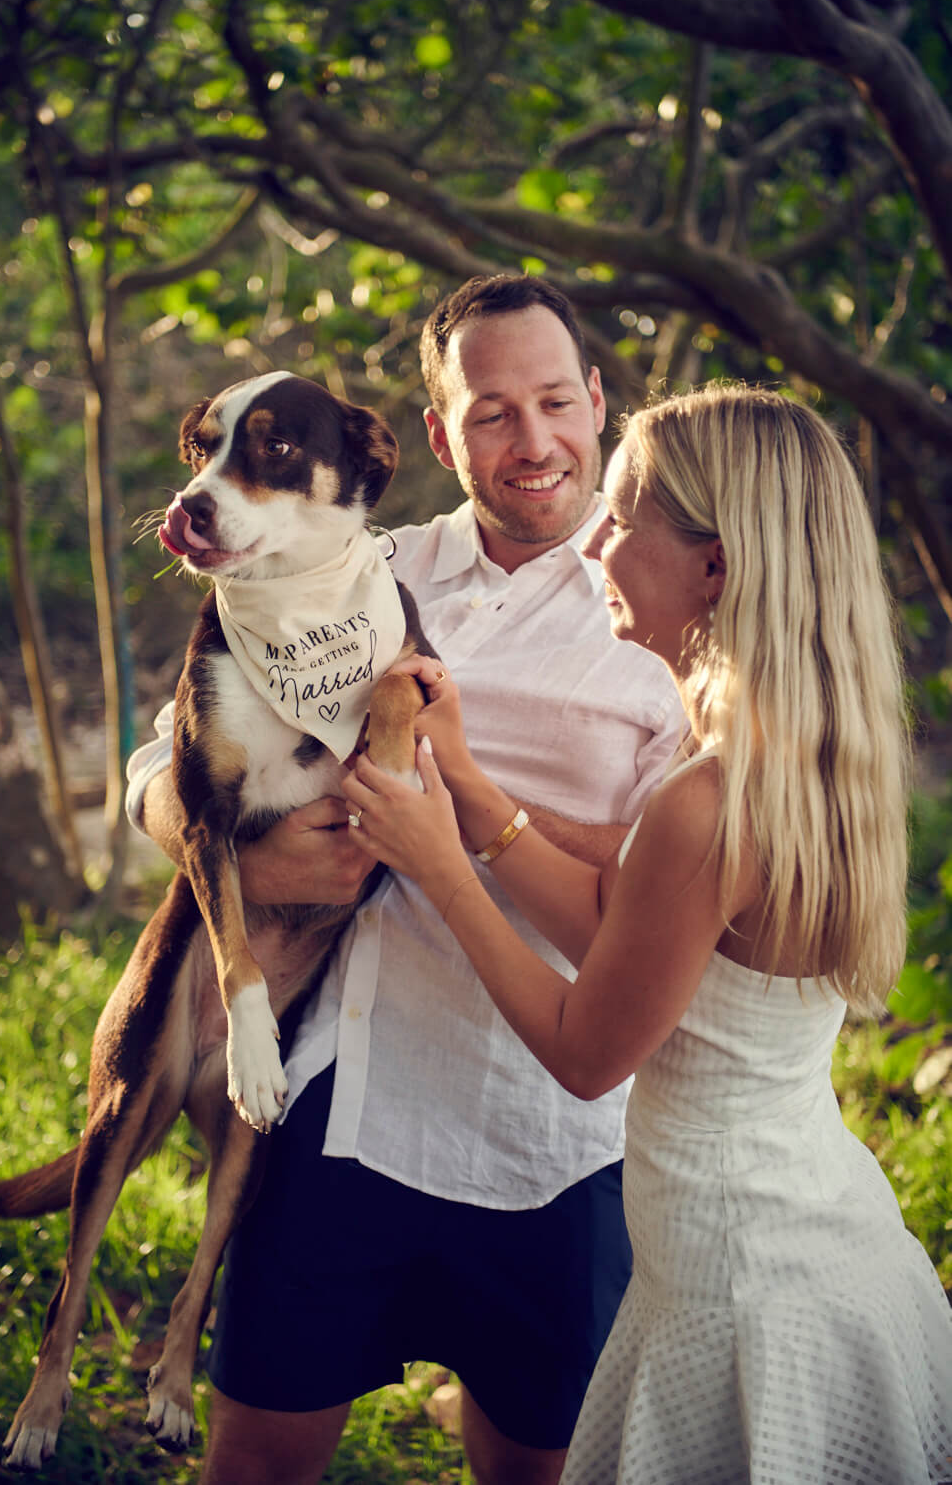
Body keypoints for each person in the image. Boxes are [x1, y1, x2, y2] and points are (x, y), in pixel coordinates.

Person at [125, 274, 686, 1485]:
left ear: (596, 402)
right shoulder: (346, 565)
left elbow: (641, 924)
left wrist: (464, 832)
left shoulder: (667, 617)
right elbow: (152, 763)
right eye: (490, 412)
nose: (531, 442)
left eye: (553, 402)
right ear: (438, 434)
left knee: (531, 1465)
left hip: (545, 1136)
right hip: (342, 1100)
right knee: (255, 1455)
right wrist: (232, 842)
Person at [341, 382, 952, 1484]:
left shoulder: (704, 799)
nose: (592, 550)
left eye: (621, 522)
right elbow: (636, 930)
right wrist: (470, 793)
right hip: (814, 1229)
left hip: (738, 1287)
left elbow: (587, 1052)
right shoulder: (798, 755)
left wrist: (435, 864)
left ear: (713, 567)